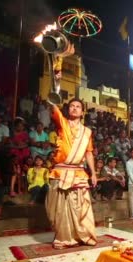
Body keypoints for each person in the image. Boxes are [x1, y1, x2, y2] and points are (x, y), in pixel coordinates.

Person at [46, 99, 98, 249]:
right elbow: (53, 106)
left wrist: (93, 173)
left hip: (78, 173)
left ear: (82, 112)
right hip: (60, 171)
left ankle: (82, 236)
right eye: (72, 106)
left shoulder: (87, 132)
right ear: (68, 110)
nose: (74, 109)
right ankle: (63, 237)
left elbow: (89, 153)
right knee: (58, 207)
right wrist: (55, 90)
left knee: (79, 207)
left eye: (78, 107)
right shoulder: (62, 123)